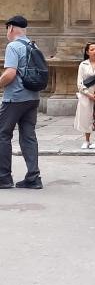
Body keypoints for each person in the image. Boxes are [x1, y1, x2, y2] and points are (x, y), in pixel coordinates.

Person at [0, 15, 43, 189]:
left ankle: (3, 177)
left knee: (2, 135)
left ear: (10, 28)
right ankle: (34, 178)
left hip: (15, 98)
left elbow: (10, 73)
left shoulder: (13, 46)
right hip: (33, 97)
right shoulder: (33, 45)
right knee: (28, 137)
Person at [74, 42, 95, 149]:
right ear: (87, 52)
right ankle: (86, 140)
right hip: (86, 96)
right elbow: (80, 82)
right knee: (86, 118)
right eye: (92, 49)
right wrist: (88, 94)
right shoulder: (83, 65)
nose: (94, 51)